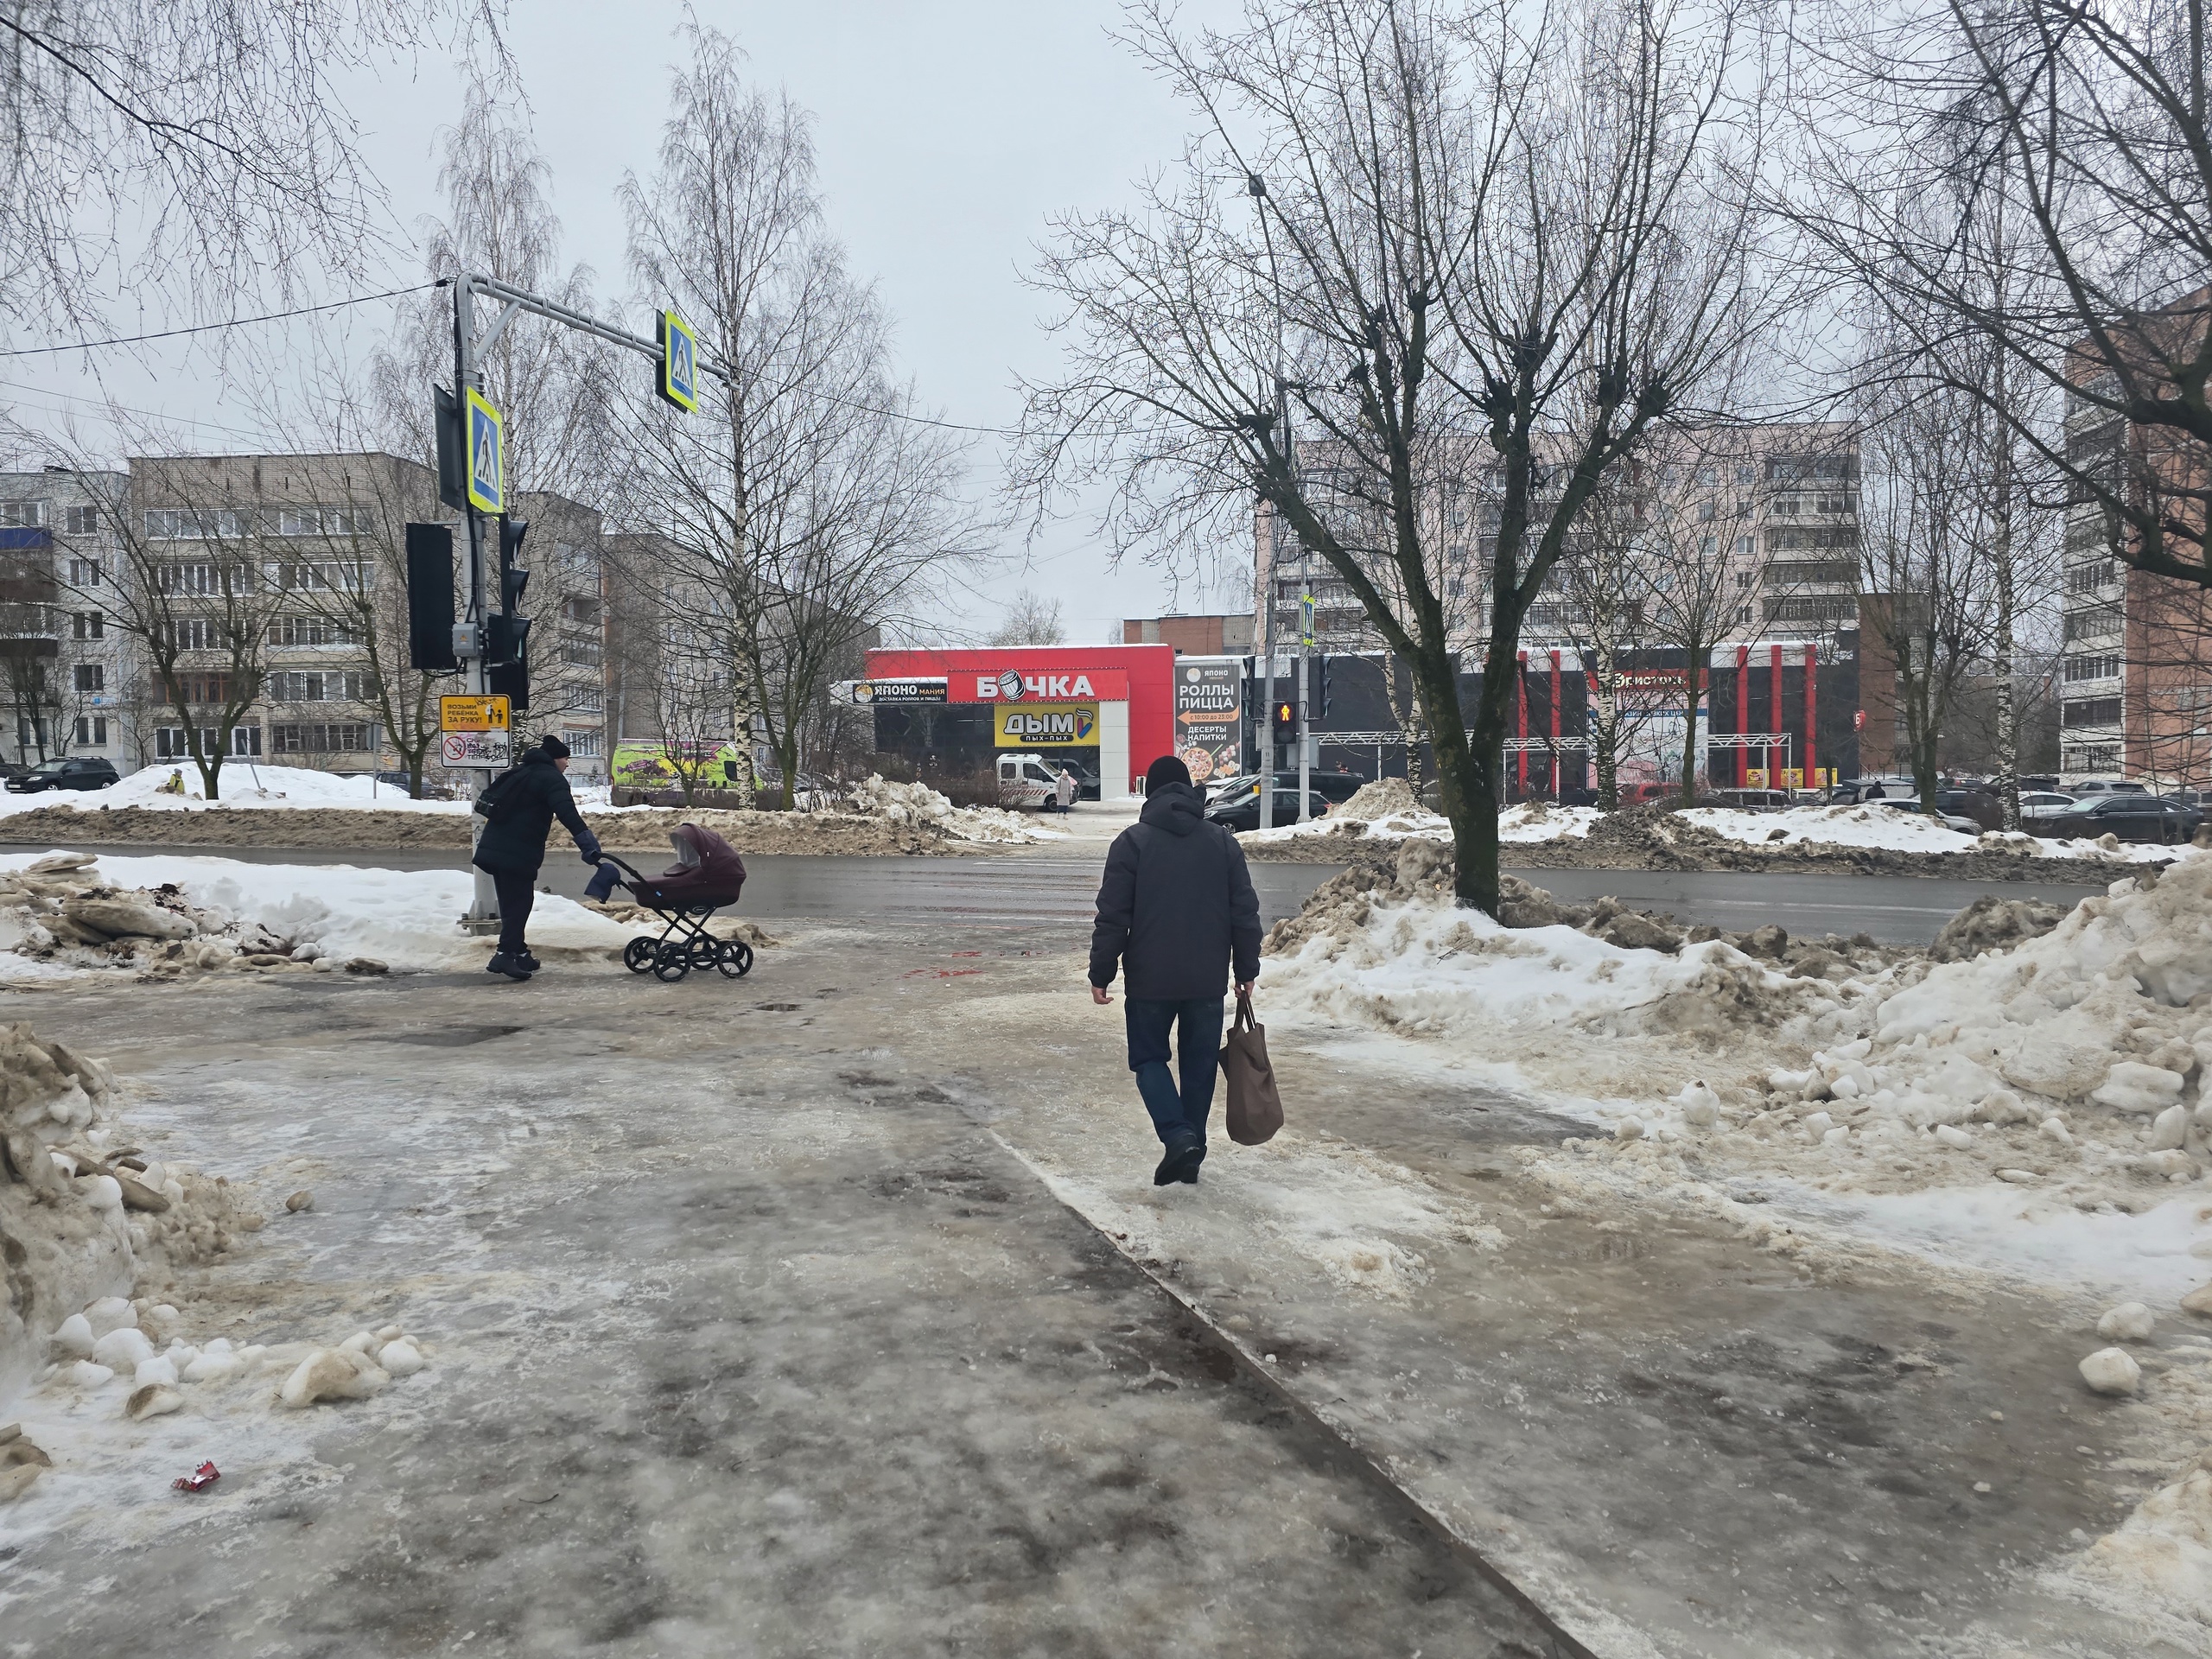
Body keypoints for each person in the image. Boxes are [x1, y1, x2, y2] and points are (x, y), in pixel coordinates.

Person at [1089, 754, 1262, 1185]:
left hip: (1150, 979)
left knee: (1149, 1059)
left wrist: (1102, 972)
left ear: (1151, 795)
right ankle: (1191, 1151)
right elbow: (1244, 912)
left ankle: (1178, 1135)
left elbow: (1113, 916)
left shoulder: (1131, 843)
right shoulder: (1222, 842)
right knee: (1199, 1067)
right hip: (1206, 979)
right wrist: (1245, 968)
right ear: (1189, 790)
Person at [472, 734, 602, 981]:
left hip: (495, 848)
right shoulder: (551, 778)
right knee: (519, 905)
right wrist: (587, 843)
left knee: (513, 903)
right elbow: (568, 813)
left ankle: (520, 954)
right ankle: (505, 954)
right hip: (516, 851)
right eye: (565, 759)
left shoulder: (522, 772)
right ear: (555, 759)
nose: (567, 764)